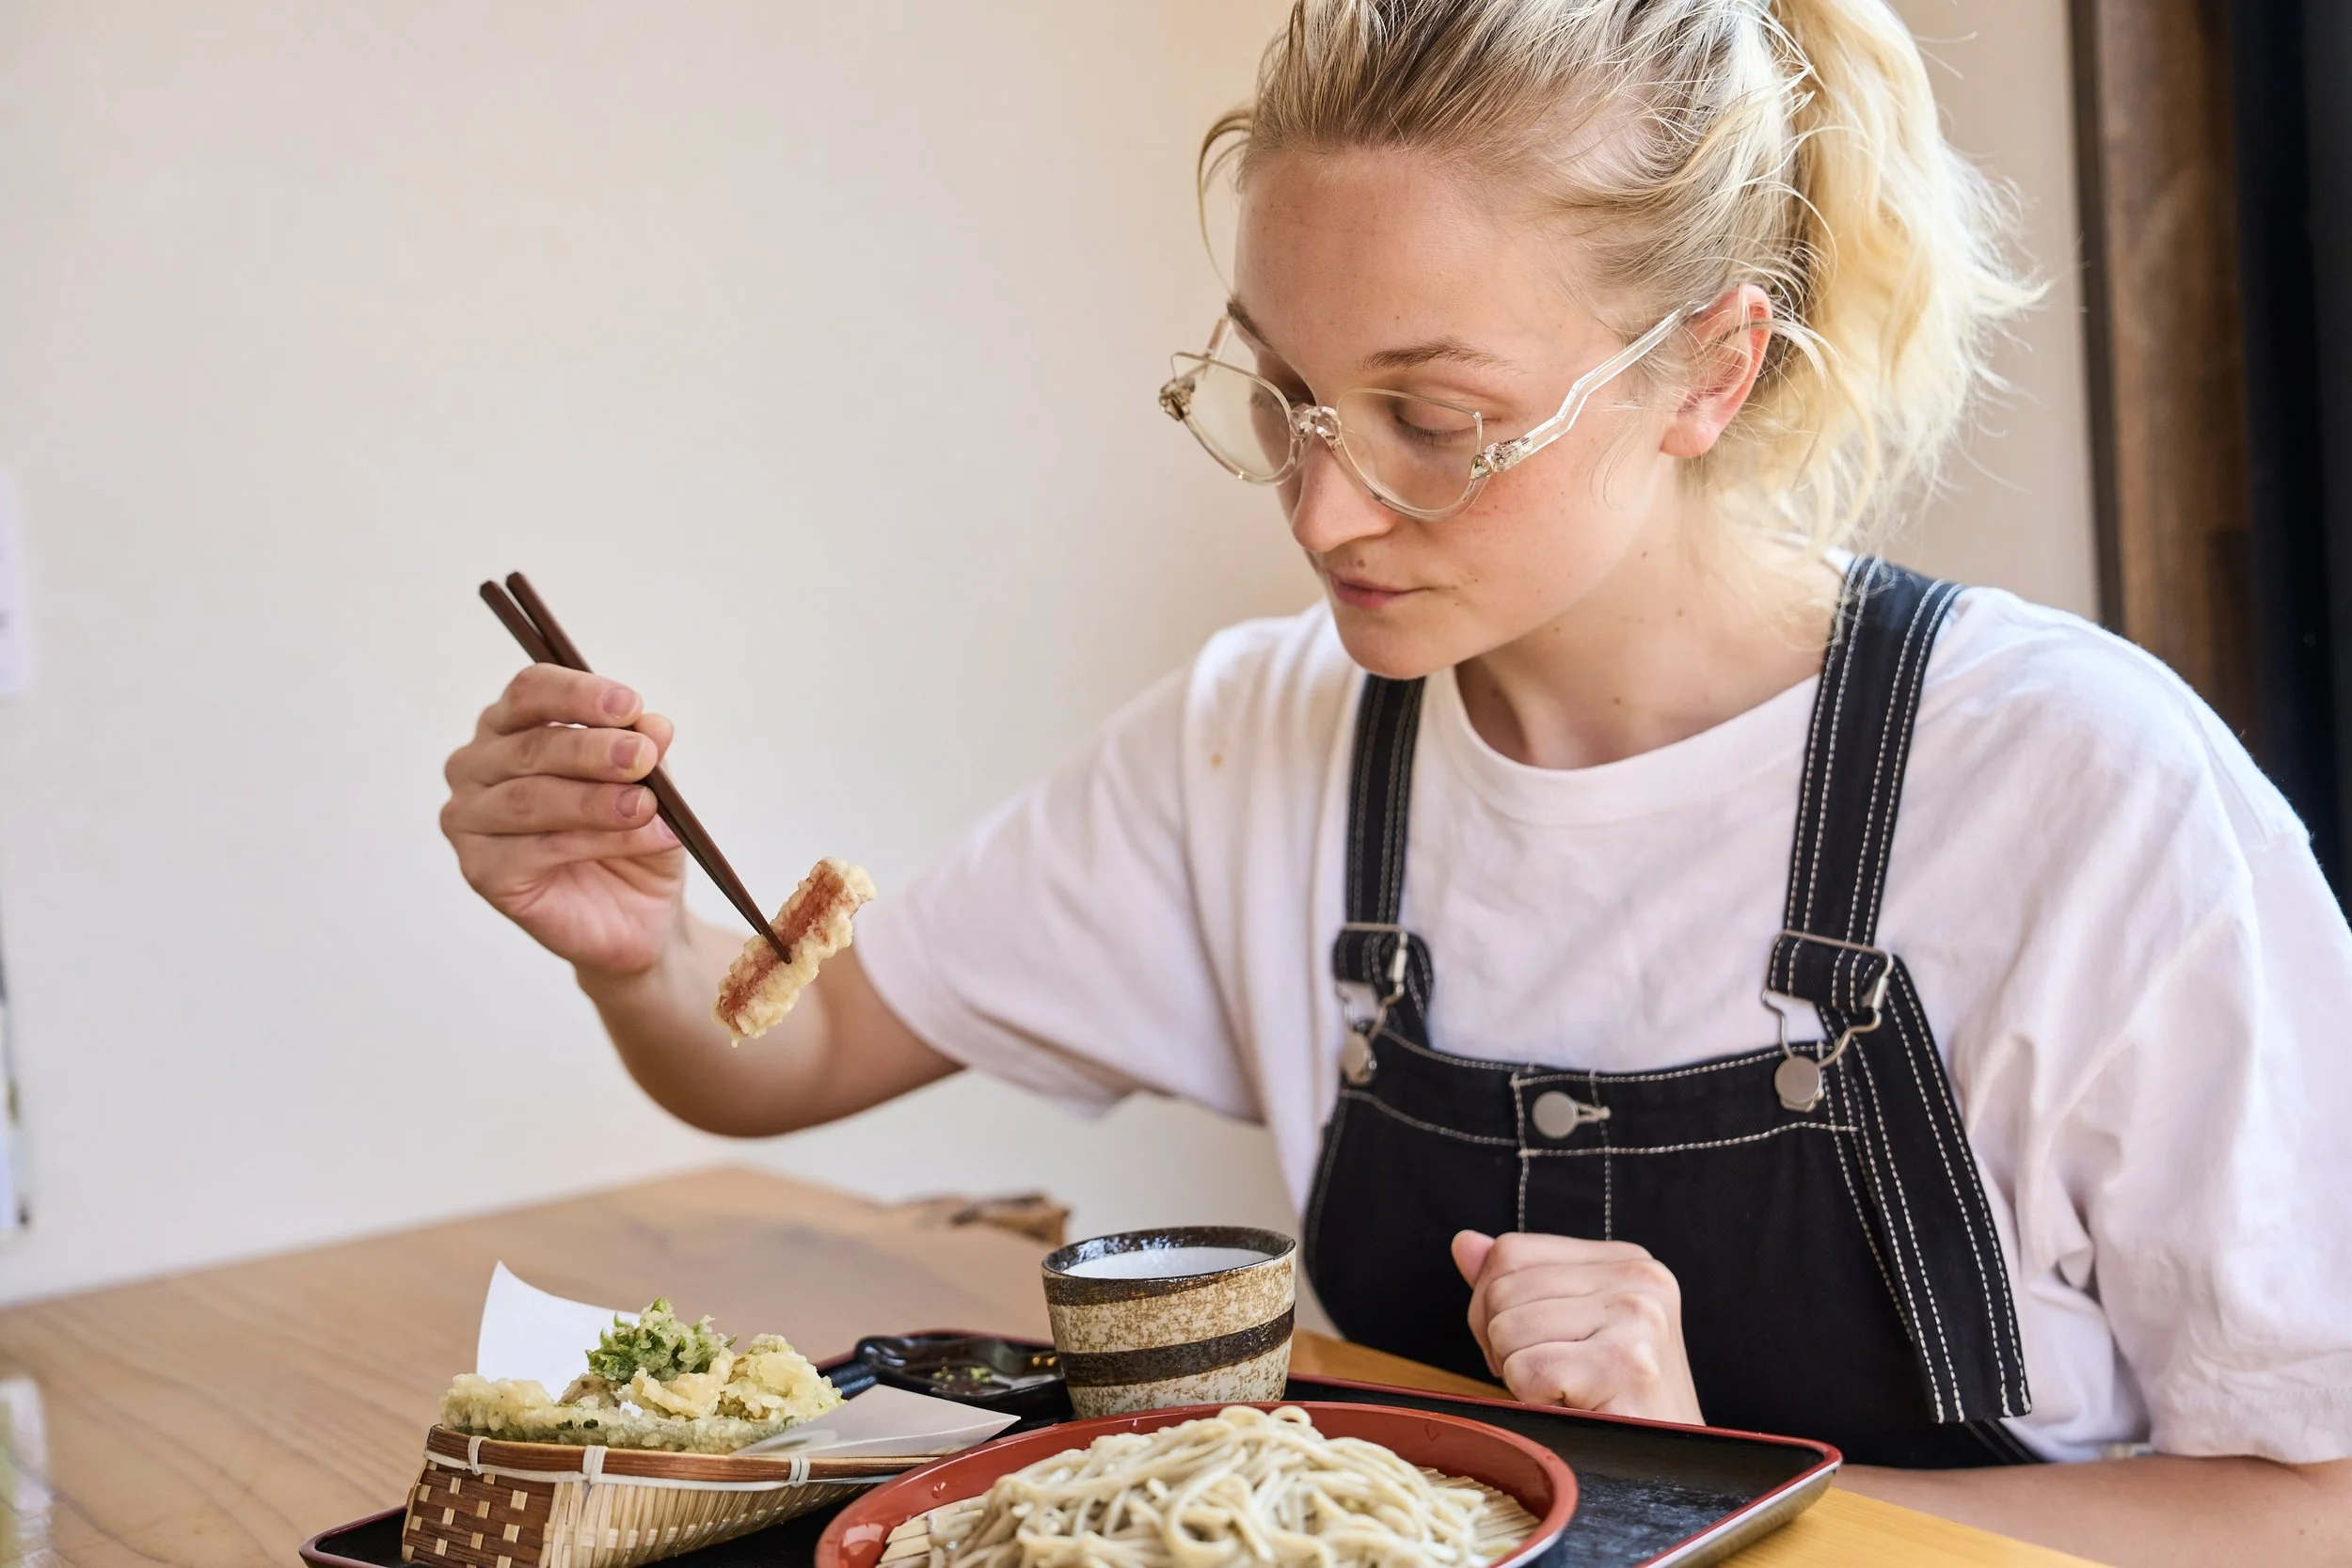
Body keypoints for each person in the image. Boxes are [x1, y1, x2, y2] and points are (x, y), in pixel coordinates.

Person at [438, 1, 2352, 1560]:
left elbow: (2314, 1506)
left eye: (1431, 421)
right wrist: (632, 940)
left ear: (1705, 370)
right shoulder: (1257, 738)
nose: (1322, 501)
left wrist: (1720, 1511)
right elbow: (777, 1047)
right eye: (1277, 392)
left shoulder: (2074, 789)